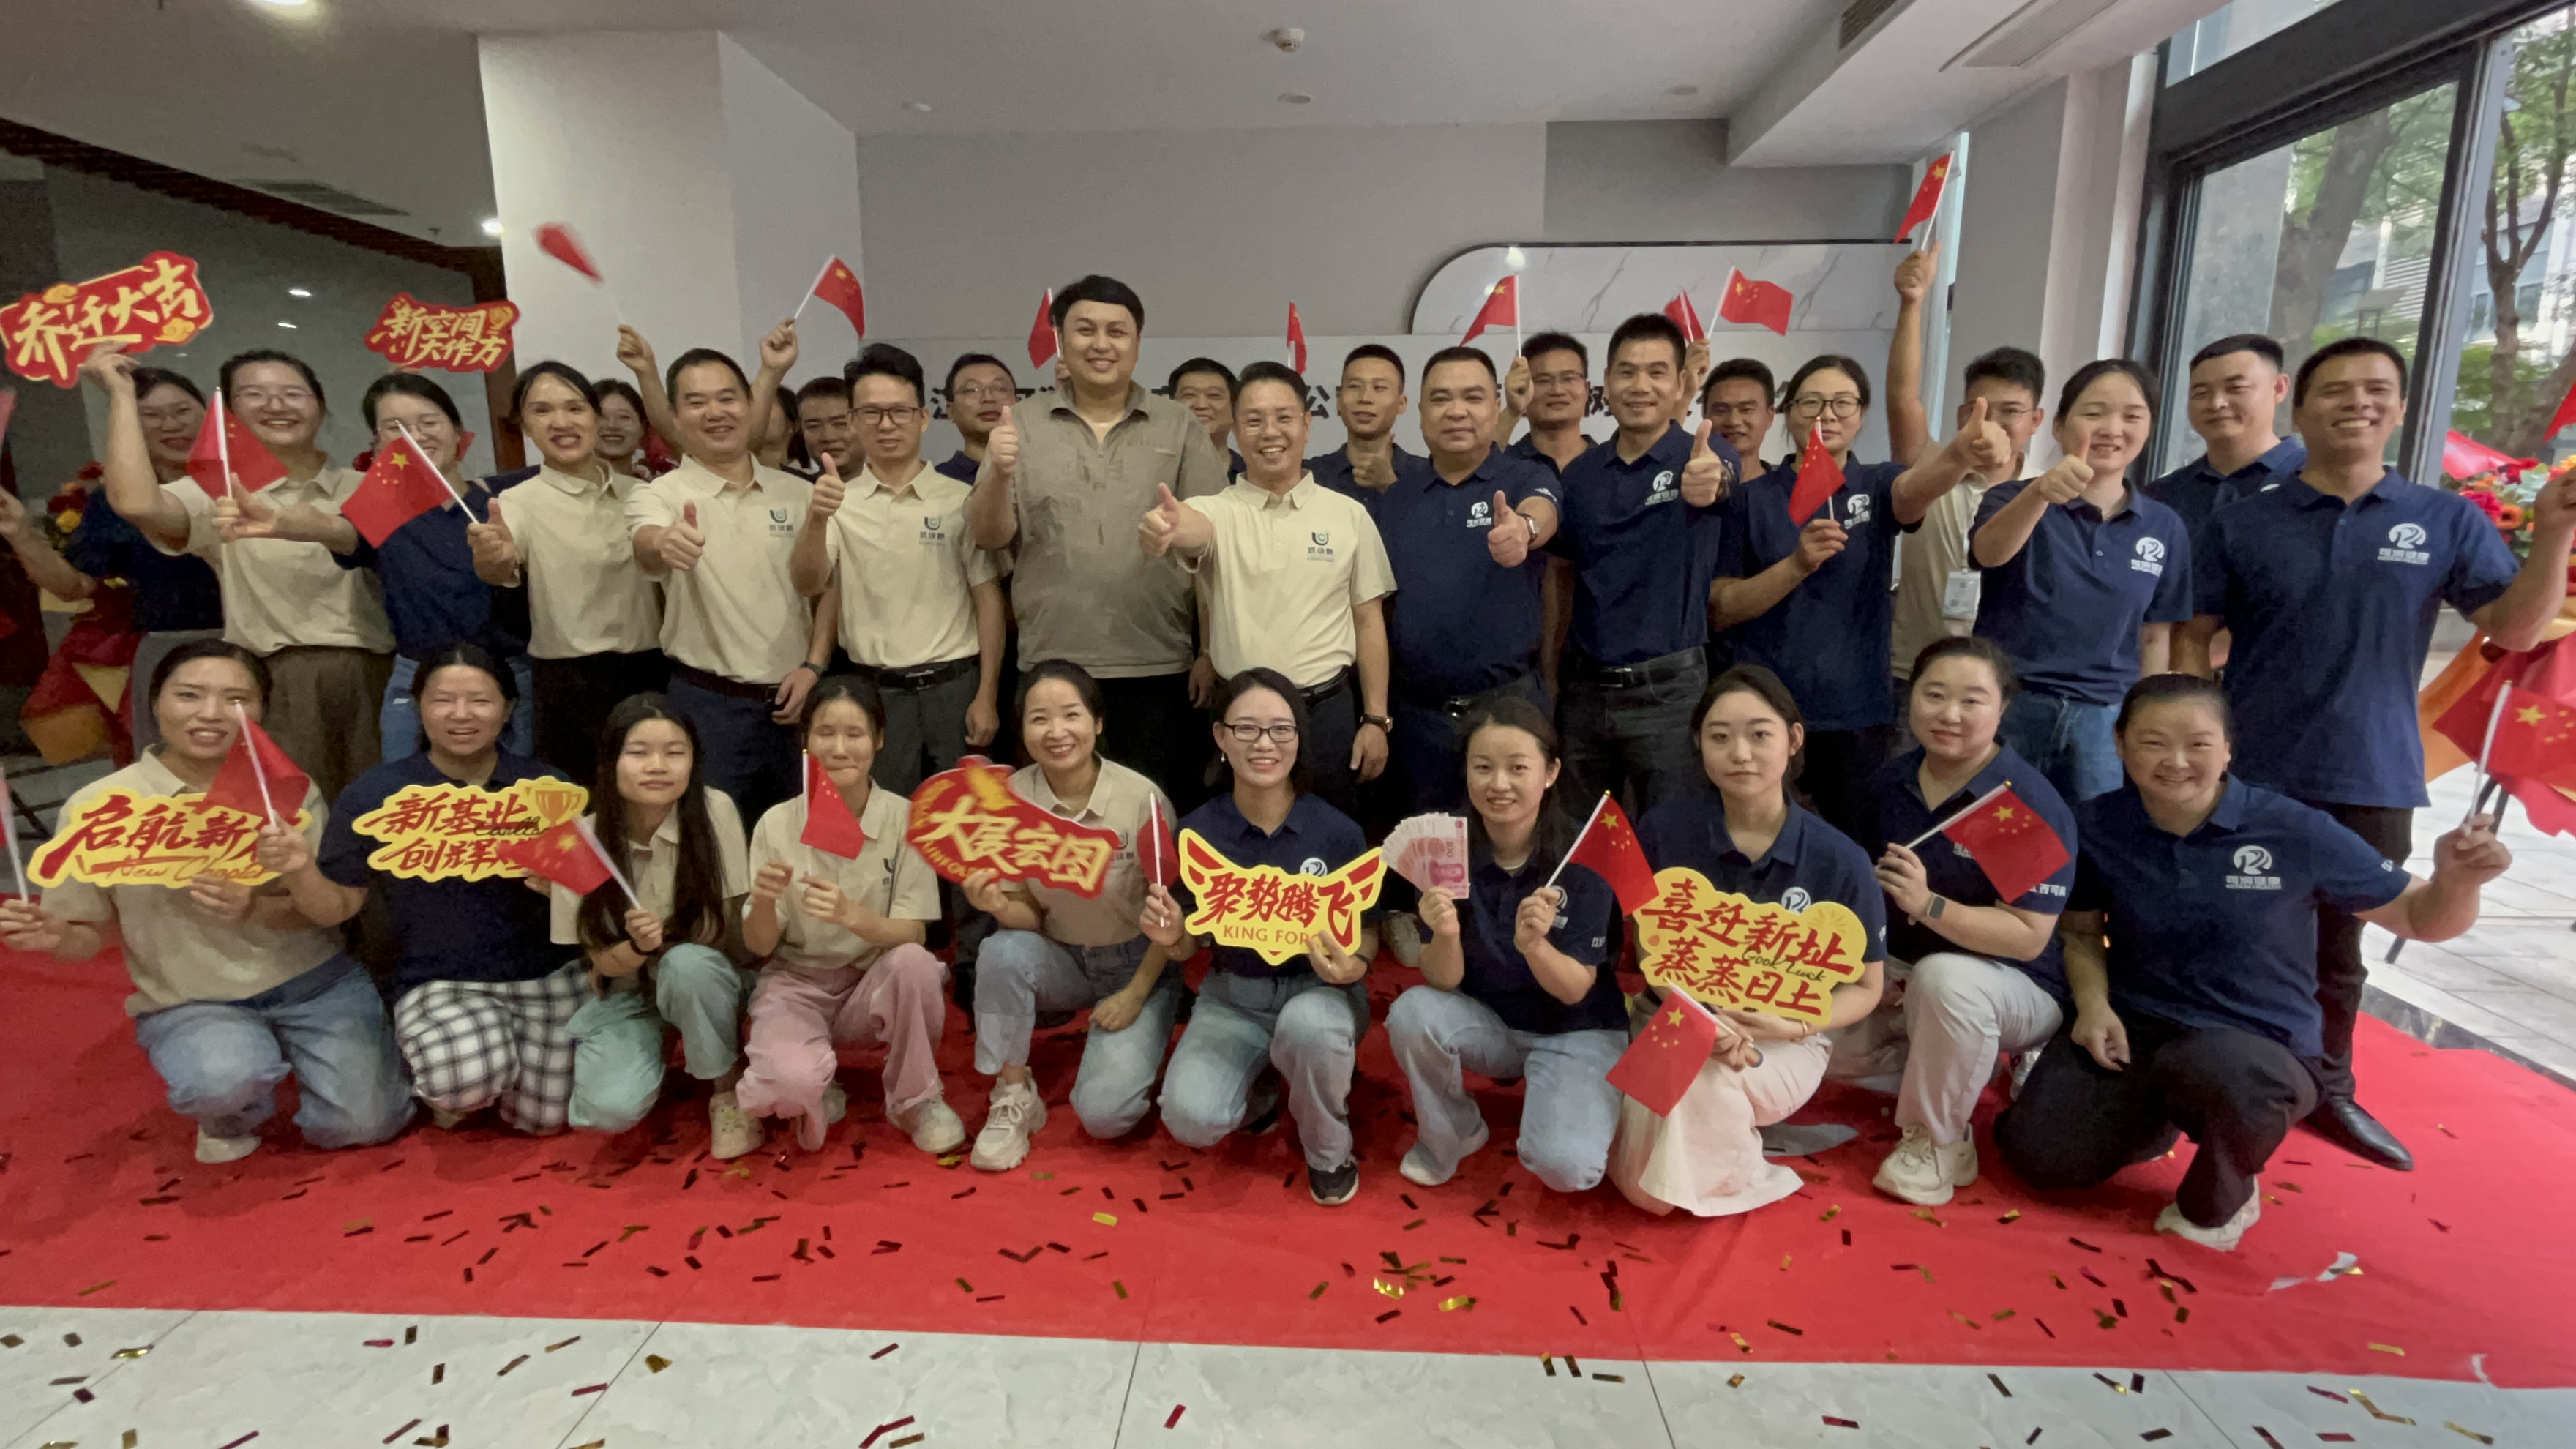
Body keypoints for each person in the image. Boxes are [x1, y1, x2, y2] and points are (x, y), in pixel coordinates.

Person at [2176, 337, 2575, 1170]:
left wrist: (2554, 536)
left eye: (2376, 390)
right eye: (2336, 390)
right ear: (2299, 408)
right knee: (2228, 926)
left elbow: (2514, 630)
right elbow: (2193, 634)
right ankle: (2210, 1079)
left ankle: (2330, 1088)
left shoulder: (2443, 519)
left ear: (2398, 408)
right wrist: (2189, 740)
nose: (2356, 403)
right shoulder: (2244, 520)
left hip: (2372, 769)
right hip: (2251, 773)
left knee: (2340, 948)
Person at [1994, 675, 2512, 1249]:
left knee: (2221, 1074)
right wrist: (2093, 1007)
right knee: (2040, 1158)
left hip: (2258, 1041)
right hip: (2137, 1026)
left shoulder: (2293, 829)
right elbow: (2082, 933)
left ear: (2227, 749)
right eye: (2153, 742)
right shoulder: (2097, 825)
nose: (2176, 762)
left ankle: (2228, 1191)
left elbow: (2418, 917)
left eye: (2198, 744)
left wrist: (2457, 882)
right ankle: (2149, 1118)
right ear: (2119, 744)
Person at [0, 641, 411, 1161]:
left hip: (312, 980)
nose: (211, 714)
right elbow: (85, 937)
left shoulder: (286, 792)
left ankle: (292, 1057)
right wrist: (56, 936)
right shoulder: (100, 808)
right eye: (189, 695)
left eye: (237, 699)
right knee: (222, 1081)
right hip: (192, 998)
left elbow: (331, 912)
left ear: (262, 710)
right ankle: (232, 1108)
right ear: (155, 701)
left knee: (364, 1124)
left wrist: (265, 898)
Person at [261, 644, 581, 1134]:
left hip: (548, 976)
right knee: (464, 1082)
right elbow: (337, 907)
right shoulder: (376, 795)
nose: (461, 715)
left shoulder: (547, 789)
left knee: (545, 1121)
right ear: (417, 705)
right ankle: (454, 1072)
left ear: (509, 708)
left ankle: (498, 1057)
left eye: (480, 700)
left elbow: (592, 900)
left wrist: (563, 891)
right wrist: (300, 869)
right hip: (439, 980)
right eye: (443, 700)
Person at [1614, 666, 1887, 1217]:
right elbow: (1651, 950)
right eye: (1720, 737)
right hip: (1678, 1016)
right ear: (1699, 744)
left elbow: (1867, 987)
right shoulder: (1665, 831)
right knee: (1642, 1188)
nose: (1740, 753)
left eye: (1760, 734)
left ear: (1794, 739)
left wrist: (1792, 1025)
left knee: (1705, 1083)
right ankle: (1732, 1150)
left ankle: (1742, 1174)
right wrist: (1703, 1020)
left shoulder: (1840, 859)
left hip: (1786, 1037)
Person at [1712, 354, 2008, 838]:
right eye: (1810, 402)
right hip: (1767, 707)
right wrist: (1796, 566)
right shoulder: (1751, 498)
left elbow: (1915, 491)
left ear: (1862, 414)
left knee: (1853, 845)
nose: (1825, 414)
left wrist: (1958, 456)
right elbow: (1723, 607)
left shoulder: (1877, 483)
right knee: (1759, 838)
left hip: (1855, 710)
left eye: (1842, 403)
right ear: (1788, 412)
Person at [965, 275, 1229, 807]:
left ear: (1138, 343)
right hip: (1052, 663)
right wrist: (998, 472)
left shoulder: (1177, 424)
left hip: (1157, 662)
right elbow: (989, 536)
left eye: (1117, 331)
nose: (1101, 344)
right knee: (1053, 817)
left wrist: (1206, 649)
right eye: (1085, 330)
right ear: (1061, 340)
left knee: (1152, 813)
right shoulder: (1023, 423)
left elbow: (1215, 537)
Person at [99, 346, 395, 803]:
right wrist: (120, 395)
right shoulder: (222, 493)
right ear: (231, 417)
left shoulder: (367, 486)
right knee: (295, 817)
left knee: (385, 817)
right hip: (280, 682)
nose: (276, 405)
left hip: (381, 676)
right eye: (254, 395)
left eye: (293, 393)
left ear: (320, 407)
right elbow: (138, 503)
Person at [1852, 637, 2075, 1205]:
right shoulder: (1891, 783)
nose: (1949, 714)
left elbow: (2027, 939)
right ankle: (1947, 1058)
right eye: (1934, 695)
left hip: (2012, 982)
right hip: (1904, 972)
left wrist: (1928, 904)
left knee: (1946, 981)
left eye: (1972, 700)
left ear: (2002, 709)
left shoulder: (2008, 805)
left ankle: (1939, 1139)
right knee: (1813, 1036)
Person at [216, 372, 535, 765]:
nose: (415, 436)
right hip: (416, 677)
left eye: (429, 422)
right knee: (403, 791)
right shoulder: (381, 510)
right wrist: (280, 522)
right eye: (395, 427)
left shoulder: (507, 500)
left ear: (458, 433)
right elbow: (336, 529)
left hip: (507, 674)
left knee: (513, 788)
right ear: (378, 443)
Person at [1145, 669, 1379, 1205]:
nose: (1264, 744)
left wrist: (1355, 967)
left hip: (1320, 993)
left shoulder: (1337, 831)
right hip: (1233, 997)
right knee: (1190, 1118)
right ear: (1221, 737)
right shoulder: (1196, 832)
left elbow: (1367, 931)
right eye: (1246, 729)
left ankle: (1329, 1152)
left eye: (1281, 729)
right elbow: (1189, 940)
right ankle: (1269, 1087)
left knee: (1311, 1027)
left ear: (1299, 738)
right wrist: (1172, 938)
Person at [1386, 697, 1625, 1192]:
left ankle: (1581, 1100)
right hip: (1491, 1023)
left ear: (1551, 772)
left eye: (1518, 768)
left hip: (1574, 1029)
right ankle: (1454, 1131)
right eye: (1483, 767)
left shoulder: (1582, 854)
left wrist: (1535, 946)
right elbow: (1442, 980)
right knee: (1412, 1013)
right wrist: (1445, 934)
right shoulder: (1443, 848)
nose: (1499, 784)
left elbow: (1574, 990)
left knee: (1568, 1168)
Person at [1138, 362, 1396, 820]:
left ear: (1307, 425)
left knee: (1329, 837)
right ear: (1236, 431)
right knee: (1241, 842)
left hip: (1325, 713)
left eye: (1283, 417)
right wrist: (1169, 526)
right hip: (1239, 718)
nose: (1270, 432)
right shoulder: (1215, 509)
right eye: (1254, 420)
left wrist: (1376, 718)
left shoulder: (1348, 515)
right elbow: (1193, 528)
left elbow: (1368, 620)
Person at [967, 662, 1183, 1170]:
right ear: (1022, 729)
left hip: (1137, 964)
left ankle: (1143, 1044)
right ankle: (1014, 1093)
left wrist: (1135, 994)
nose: (1056, 731)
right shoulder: (1009, 799)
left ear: (1098, 722)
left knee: (1106, 1115)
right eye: (1039, 718)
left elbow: (1175, 919)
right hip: (1062, 956)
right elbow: (1029, 917)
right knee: (999, 950)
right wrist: (998, 905)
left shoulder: (1142, 799)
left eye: (1071, 714)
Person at [736, 677, 958, 1153]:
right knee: (788, 1087)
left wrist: (852, 916)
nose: (839, 748)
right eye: (825, 733)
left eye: (855, 734)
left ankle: (916, 1099)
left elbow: (915, 931)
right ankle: (817, 1081)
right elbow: (759, 945)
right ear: (805, 740)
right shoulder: (777, 823)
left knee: (916, 964)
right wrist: (766, 902)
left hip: (869, 982)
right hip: (797, 984)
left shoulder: (905, 818)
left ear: (879, 739)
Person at [1970, 360, 2193, 804]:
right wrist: (2039, 494)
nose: (2112, 429)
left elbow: (2154, 636)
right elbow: (1988, 554)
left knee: (2098, 833)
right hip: (2013, 704)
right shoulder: (2012, 496)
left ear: (2149, 429)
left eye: (2132, 416)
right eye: (2094, 413)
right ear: (2058, 426)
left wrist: (2148, 719)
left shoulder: (2164, 526)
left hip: (2104, 718)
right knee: (1997, 831)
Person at [626, 340, 830, 822]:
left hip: (797, 700)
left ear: (750, 405)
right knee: (712, 837)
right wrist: (665, 540)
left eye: (727, 398)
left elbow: (827, 589)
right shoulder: (660, 495)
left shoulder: (799, 493)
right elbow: (646, 540)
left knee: (806, 837)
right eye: (696, 402)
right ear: (675, 418)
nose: (715, 412)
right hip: (707, 704)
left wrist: (815, 666)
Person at [791, 344, 1003, 794]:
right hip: (876, 690)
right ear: (853, 421)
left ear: (923, 418)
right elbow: (808, 583)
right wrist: (816, 518)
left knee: (964, 818)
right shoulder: (837, 500)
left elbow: (988, 601)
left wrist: (987, 693)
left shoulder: (959, 499)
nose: (886, 425)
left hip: (955, 686)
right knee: (885, 817)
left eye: (899, 412)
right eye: (871, 413)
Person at [1548, 313, 1737, 814]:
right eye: (1627, 372)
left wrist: (1711, 480)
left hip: (1670, 691)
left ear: (1680, 385)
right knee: (1580, 836)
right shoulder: (1581, 475)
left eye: (1657, 372)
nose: (1640, 386)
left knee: (1672, 835)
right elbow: (1563, 577)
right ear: (1606, 384)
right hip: (1585, 691)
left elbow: (1722, 477)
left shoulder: (1702, 453)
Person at [550, 696, 755, 1153]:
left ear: (694, 761)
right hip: (629, 988)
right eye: (639, 752)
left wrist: (668, 946)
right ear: (611, 761)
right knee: (608, 1109)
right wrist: (639, 948)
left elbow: (731, 934)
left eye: (674, 752)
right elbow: (601, 960)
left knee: (687, 966)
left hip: (702, 977)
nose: (657, 766)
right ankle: (655, 1043)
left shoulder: (715, 810)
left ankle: (726, 1088)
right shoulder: (580, 840)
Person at [1371, 347, 1561, 812]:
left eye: (1473, 397)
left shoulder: (1526, 475)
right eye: (1440, 399)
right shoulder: (1395, 500)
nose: (1456, 411)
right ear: (1420, 412)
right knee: (1428, 847)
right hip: (1419, 721)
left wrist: (1524, 530)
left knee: (1512, 840)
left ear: (1496, 406)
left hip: (1508, 710)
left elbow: (1542, 511)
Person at [6, 363, 225, 755]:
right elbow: (75, 586)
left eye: (182, 411)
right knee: (175, 770)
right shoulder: (114, 503)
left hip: (258, 644)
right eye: (152, 416)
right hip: (170, 653)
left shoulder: (245, 483)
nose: (171, 425)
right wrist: (20, 532)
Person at [469, 363, 668, 783]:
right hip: (568, 684)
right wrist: (492, 555)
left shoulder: (642, 494)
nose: (561, 422)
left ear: (596, 418)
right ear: (524, 425)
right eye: (542, 411)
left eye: (575, 408)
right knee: (576, 803)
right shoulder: (517, 502)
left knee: (651, 790)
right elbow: (498, 566)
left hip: (648, 673)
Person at [1889, 348, 2048, 711]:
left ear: (2036, 419)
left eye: (2011, 411)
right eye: (1981, 411)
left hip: (2002, 685)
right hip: (1916, 672)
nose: (1993, 424)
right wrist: (1910, 312)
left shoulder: (2043, 493)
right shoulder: (1931, 472)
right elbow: (1902, 400)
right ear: (1963, 417)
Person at [2146, 334, 2305, 540]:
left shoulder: (2318, 481)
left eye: (2236, 388)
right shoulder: (2161, 495)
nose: (2217, 404)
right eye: (2201, 393)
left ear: (2279, 388)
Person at [1309, 345, 1423, 501]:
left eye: (1379, 388)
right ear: (1339, 401)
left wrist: (1390, 486)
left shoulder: (1427, 475)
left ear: (1401, 403)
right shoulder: (1310, 475)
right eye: (1354, 386)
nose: (1365, 398)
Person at [1497, 332, 1593, 476]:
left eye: (1568, 379)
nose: (1557, 390)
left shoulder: (1608, 465)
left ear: (1586, 389)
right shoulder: (1504, 463)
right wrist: (1512, 412)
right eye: (1543, 380)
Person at [936, 354, 1019, 484]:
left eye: (1000, 389)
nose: (988, 398)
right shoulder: (938, 482)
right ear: (950, 410)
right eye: (972, 390)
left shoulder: (1041, 474)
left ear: (1018, 403)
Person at [1169, 358, 1246, 476]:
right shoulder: (1152, 471)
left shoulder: (1255, 475)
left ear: (1234, 407)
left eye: (1214, 395)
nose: (1201, 405)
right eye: (1189, 395)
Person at [1701, 358, 1780, 472]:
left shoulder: (1792, 483)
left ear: (1770, 416)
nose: (1733, 421)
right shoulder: (1682, 480)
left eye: (1746, 410)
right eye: (1721, 410)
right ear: (1705, 415)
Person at [594, 380, 664, 480]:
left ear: (643, 426)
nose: (612, 425)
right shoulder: (570, 487)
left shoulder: (658, 487)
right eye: (601, 417)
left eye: (624, 417)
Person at [794, 376, 860, 482]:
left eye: (840, 423)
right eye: (814, 426)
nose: (828, 437)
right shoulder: (793, 489)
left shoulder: (888, 486)